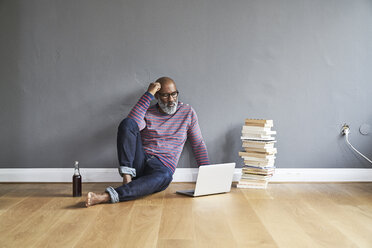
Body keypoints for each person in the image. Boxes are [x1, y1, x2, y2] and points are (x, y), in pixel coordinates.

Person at [86, 77, 210, 207]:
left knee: (165, 177)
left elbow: (198, 144)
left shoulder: (187, 112)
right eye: (165, 96)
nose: (171, 100)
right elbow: (130, 125)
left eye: (174, 94)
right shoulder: (147, 112)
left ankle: (106, 197)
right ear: (157, 96)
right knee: (127, 123)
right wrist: (148, 94)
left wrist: (207, 174)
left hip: (162, 167)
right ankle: (127, 177)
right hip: (139, 161)